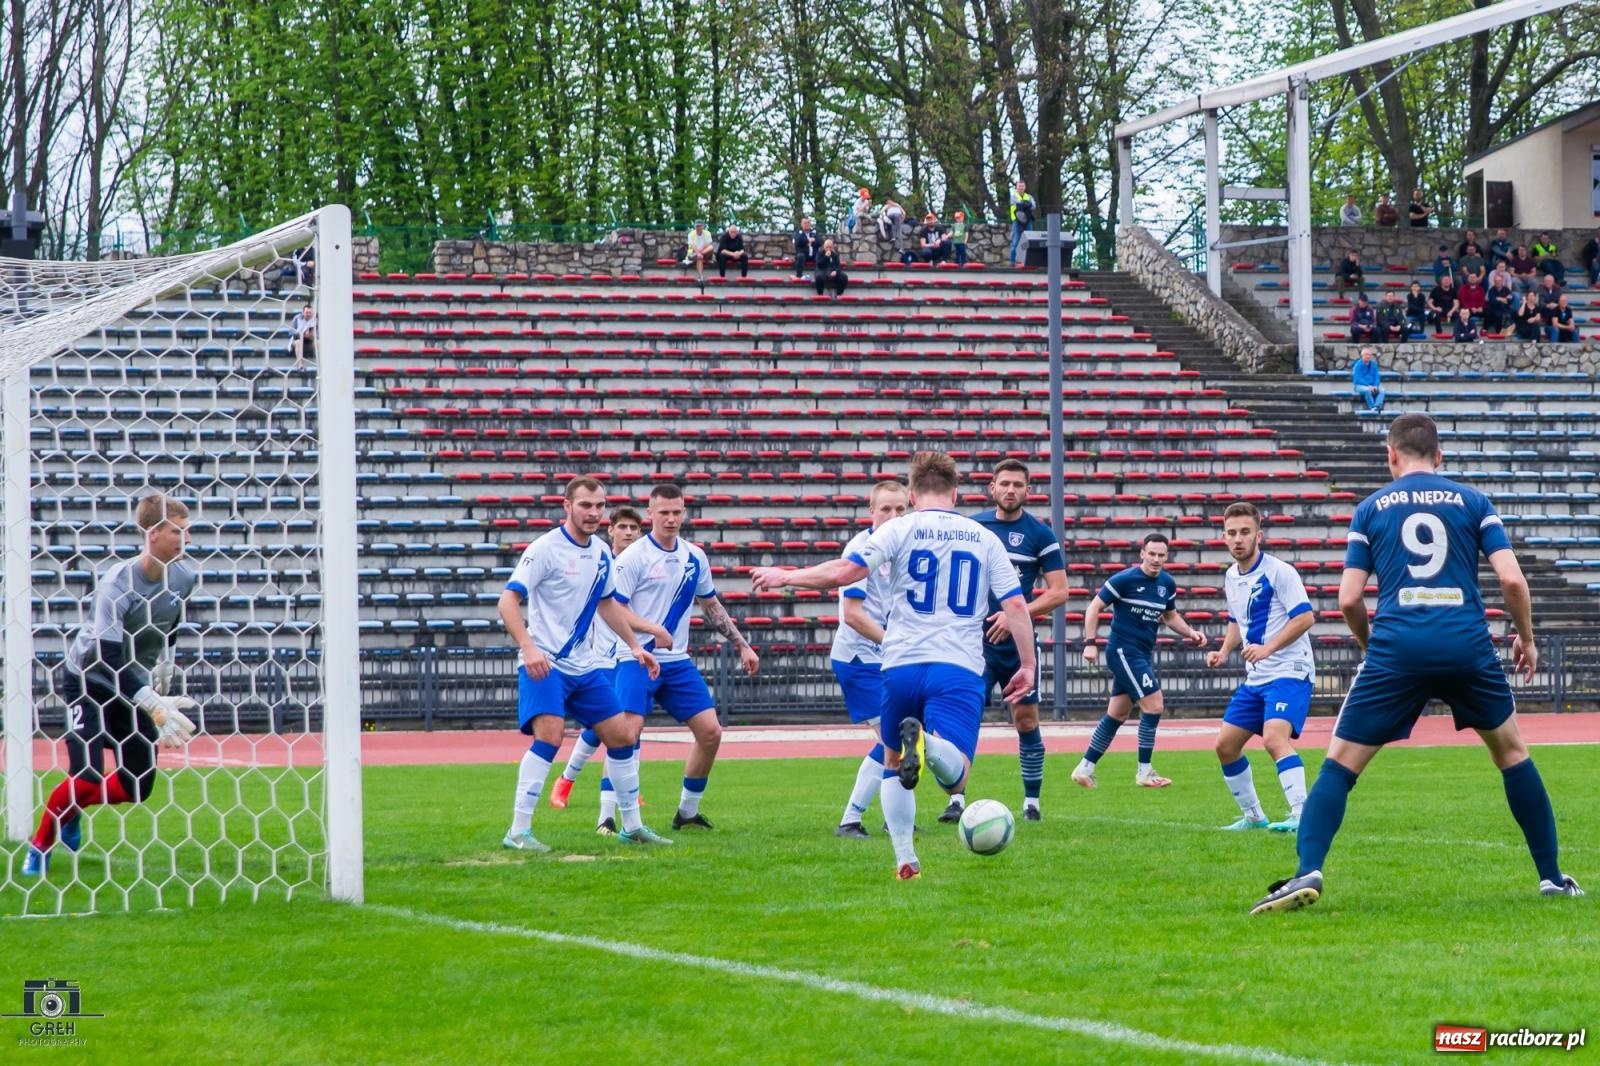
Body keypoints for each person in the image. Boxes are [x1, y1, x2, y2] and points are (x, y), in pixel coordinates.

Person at [1251, 414, 1583, 914]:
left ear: (1391, 456)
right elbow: (1513, 582)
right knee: (1512, 754)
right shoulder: (1474, 502)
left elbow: (1347, 600)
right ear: (1440, 457)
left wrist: (1373, 646)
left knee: (1340, 765)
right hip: (1466, 644)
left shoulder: (1369, 509)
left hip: (1397, 649)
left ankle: (1308, 869)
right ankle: (1552, 878)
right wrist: (1527, 639)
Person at [750, 451, 1037, 881]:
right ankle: (927, 745)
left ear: (913, 493)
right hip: (956, 665)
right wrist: (1029, 665)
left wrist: (788, 575)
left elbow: (846, 571)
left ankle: (906, 858)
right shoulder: (983, 537)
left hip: (900, 662)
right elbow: (1015, 604)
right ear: (956, 492)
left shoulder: (899, 528)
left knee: (890, 758)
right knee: (955, 780)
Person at [22, 495, 201, 877]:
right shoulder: (116, 585)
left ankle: (74, 807)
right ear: (152, 533)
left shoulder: (185, 577)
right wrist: (151, 701)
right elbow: (107, 656)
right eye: (176, 530)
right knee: (85, 773)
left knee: (138, 786)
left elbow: (167, 632)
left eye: (186, 530)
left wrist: (162, 680)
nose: (184, 538)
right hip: (89, 679)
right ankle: (40, 844)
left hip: (132, 685)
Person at [498, 477, 676, 851]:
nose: (594, 513)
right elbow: (508, 602)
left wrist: (634, 646)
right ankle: (518, 831)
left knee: (623, 736)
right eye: (585, 505)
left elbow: (608, 603)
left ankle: (631, 826)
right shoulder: (544, 549)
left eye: (599, 506)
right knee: (549, 736)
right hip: (546, 662)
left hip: (585, 666)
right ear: (567, 506)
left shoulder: (599, 552)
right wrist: (529, 648)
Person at [598, 484, 760, 833]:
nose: (671, 519)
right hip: (634, 657)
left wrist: (742, 644)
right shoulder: (633, 557)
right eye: (664, 513)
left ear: (684, 512)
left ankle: (686, 812)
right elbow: (615, 609)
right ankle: (607, 817)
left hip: (676, 661)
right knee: (627, 733)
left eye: (677, 512)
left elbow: (711, 605)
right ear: (650, 514)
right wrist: (653, 629)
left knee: (711, 732)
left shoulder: (694, 557)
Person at [952, 459, 1068, 823]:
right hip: (974, 642)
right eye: (1004, 484)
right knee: (965, 718)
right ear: (992, 487)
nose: (1011, 490)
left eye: (1018, 484)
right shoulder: (971, 527)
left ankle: (1032, 802)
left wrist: (1016, 614)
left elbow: (1060, 591)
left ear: (1027, 490)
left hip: (1017, 644)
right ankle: (956, 799)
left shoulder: (1040, 534)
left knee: (1027, 720)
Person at [1204, 502, 1316, 833]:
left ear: (1259, 535)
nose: (1238, 539)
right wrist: (1224, 651)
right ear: (1224, 537)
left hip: (1290, 670)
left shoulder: (1280, 571)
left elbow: (1305, 617)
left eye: (1245, 532)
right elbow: (1238, 621)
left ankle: (1301, 813)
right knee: (1225, 746)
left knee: (1273, 738)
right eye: (1232, 533)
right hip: (1257, 678)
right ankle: (1254, 817)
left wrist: (1268, 648)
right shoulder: (1230, 576)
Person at [1070, 534, 1207, 790]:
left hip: (1140, 654)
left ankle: (1085, 767)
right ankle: (1144, 771)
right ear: (1142, 553)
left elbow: (1170, 617)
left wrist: (1191, 633)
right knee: (1154, 705)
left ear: (1167, 557)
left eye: (1161, 555)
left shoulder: (1167, 583)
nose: (1156, 559)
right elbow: (1093, 607)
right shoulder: (1125, 579)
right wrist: (1090, 642)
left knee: (1118, 713)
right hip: (1123, 651)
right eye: (1151, 553)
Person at [547, 504, 644, 813]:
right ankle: (569, 779)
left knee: (628, 728)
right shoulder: (599, 561)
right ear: (611, 530)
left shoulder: (641, 563)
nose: (628, 533)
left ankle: (624, 790)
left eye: (634, 528)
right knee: (604, 727)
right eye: (623, 527)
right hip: (596, 656)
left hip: (627, 654)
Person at [831, 480, 910, 838]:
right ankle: (850, 819)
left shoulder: (903, 545)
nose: (894, 516)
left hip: (884, 658)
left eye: (900, 509)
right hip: (860, 660)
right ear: (871, 511)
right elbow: (853, 614)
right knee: (892, 740)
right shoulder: (861, 549)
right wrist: (893, 642)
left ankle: (890, 814)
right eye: (886, 509)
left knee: (905, 738)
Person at [1009, 180, 1036, 266]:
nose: (1021, 187)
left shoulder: (1029, 196)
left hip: (1028, 220)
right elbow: (1017, 204)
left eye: (1022, 186)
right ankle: (1012, 261)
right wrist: (1026, 205)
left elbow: (1033, 206)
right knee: (1015, 241)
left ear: (1025, 187)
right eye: (1019, 186)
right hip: (1016, 220)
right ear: (1016, 187)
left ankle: (1030, 260)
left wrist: (1022, 205)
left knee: (1029, 240)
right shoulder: (1013, 196)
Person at [1351, 347, 1385, 412]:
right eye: (1366, 355)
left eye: (1369, 355)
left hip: (1372, 385)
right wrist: (1368, 386)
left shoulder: (1374, 364)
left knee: (1382, 390)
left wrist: (1375, 386)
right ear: (1362, 356)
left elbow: (1377, 377)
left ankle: (1377, 406)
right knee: (1367, 390)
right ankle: (1372, 407)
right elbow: (1358, 379)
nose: (1368, 356)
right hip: (1360, 386)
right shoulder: (1357, 365)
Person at [1484, 267, 1516, 334]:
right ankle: (1498, 332)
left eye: (1499, 281)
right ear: (1494, 282)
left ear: (1502, 282)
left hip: (1505, 307)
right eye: (1496, 281)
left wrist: (1499, 298)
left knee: (1515, 312)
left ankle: (1513, 330)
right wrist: (1503, 299)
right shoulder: (1491, 290)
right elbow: (1493, 302)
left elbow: (1509, 300)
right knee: (1498, 314)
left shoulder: (1506, 289)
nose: (1498, 282)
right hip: (1494, 308)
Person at [290, 301, 316, 371]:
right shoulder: (297, 318)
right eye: (306, 312)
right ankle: (300, 365)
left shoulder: (315, 320)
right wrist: (302, 334)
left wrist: (312, 335)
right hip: (298, 340)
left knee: (319, 342)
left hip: (310, 341)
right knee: (298, 342)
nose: (308, 314)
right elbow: (292, 332)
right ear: (303, 312)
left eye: (310, 313)